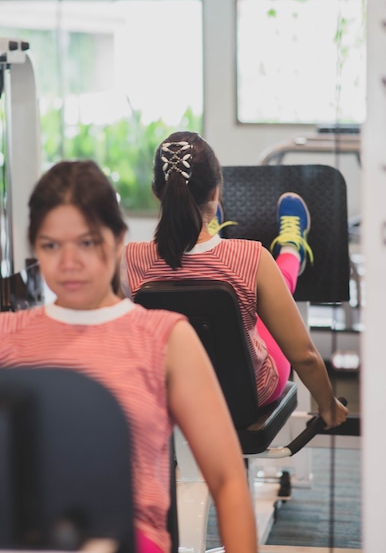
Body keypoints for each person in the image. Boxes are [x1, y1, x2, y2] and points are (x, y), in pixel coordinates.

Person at [0, 160, 257, 553]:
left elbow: (226, 479)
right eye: (51, 245)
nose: (69, 263)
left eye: (87, 242)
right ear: (35, 248)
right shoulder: (8, 336)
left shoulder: (165, 338)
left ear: (119, 239)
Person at [120, 131, 349, 430]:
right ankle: (292, 248)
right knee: (264, 301)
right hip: (248, 396)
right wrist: (328, 406)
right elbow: (304, 356)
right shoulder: (252, 257)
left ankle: (225, 237)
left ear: (156, 193)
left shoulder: (129, 261)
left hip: (173, 395)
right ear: (215, 192)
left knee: (254, 297)